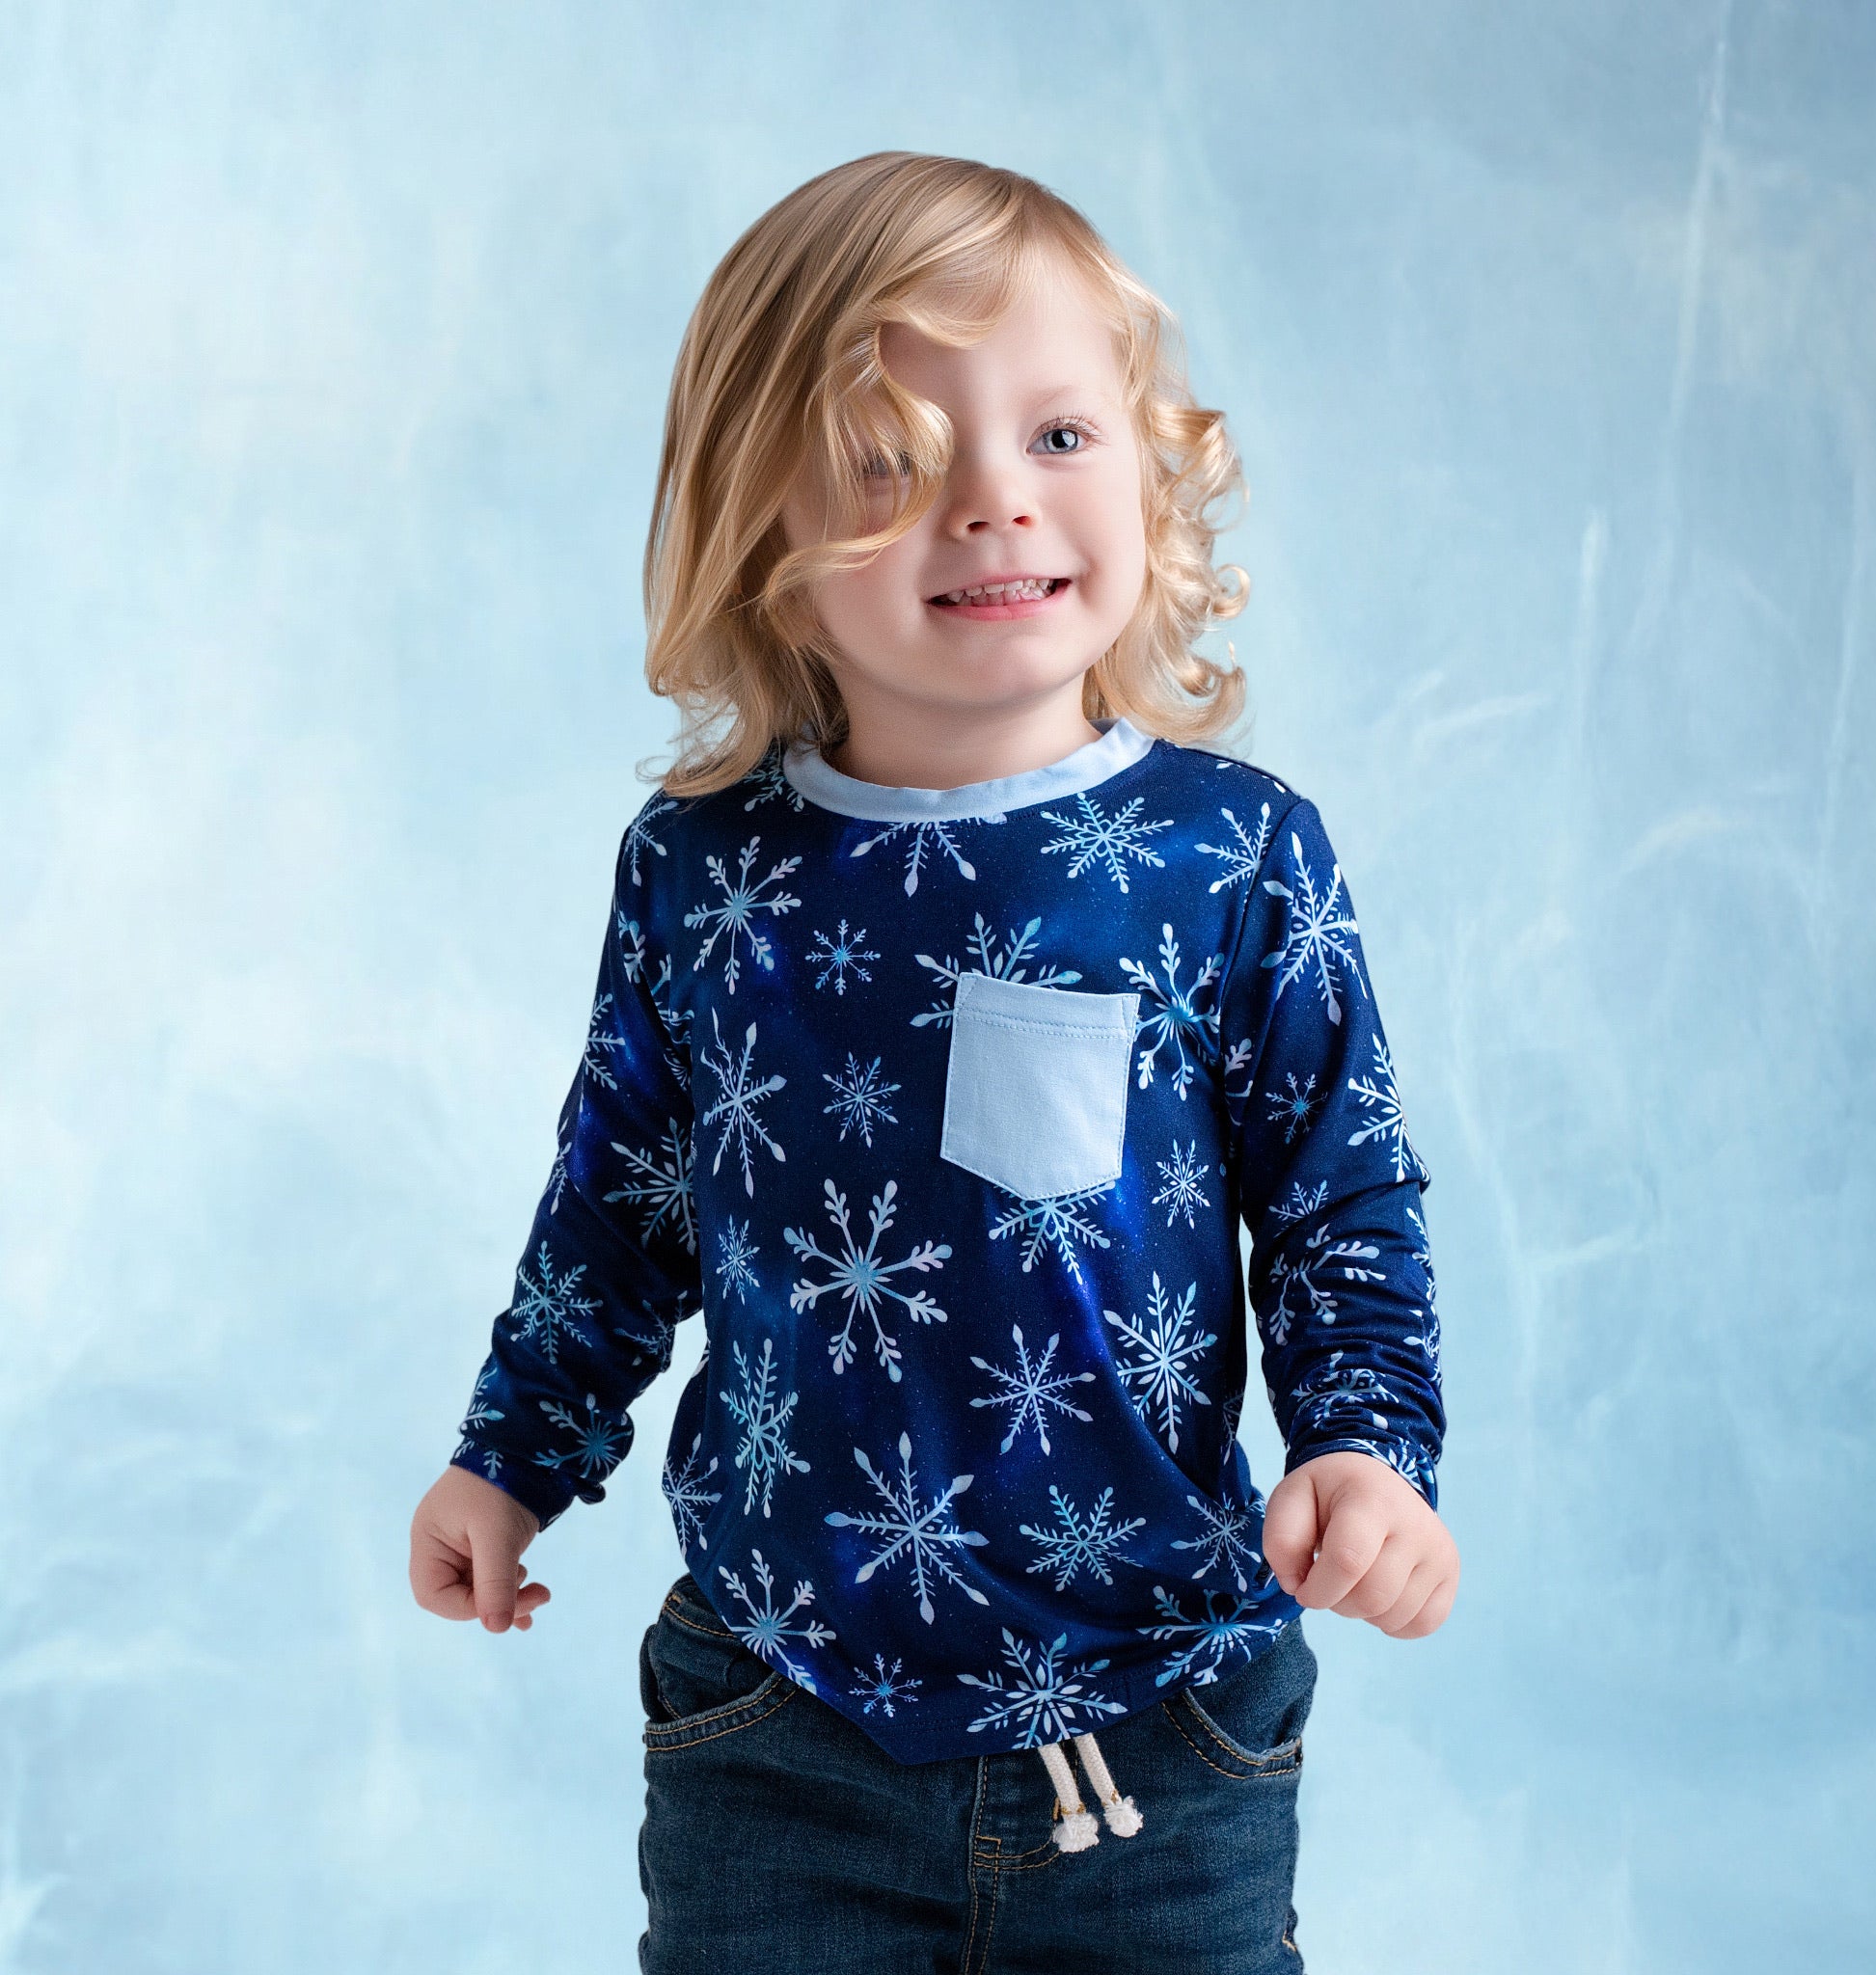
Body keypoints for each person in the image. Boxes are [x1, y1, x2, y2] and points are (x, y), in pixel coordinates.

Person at [408, 150, 1458, 1974]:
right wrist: (509, 1457)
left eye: (1059, 435)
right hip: (777, 1727)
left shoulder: (1230, 856)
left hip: (1161, 1725)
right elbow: (620, 1200)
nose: (993, 502)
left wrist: (1369, 1446)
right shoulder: (705, 871)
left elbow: (1338, 1196)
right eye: (890, 460)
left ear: (1148, 471)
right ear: (761, 530)